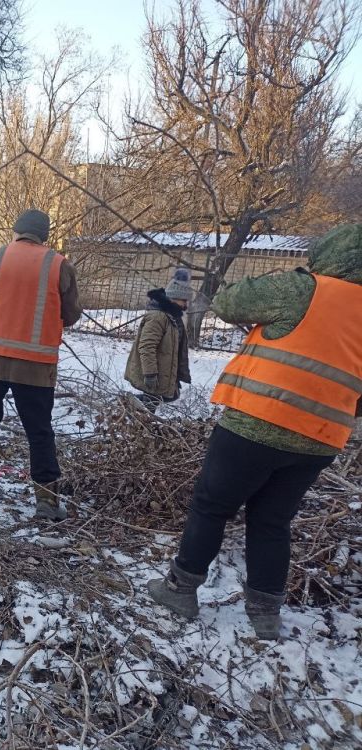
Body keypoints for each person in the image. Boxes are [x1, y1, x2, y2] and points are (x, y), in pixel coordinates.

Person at [148, 225, 362, 639]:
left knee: (212, 506)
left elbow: (229, 303)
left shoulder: (304, 289)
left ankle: (180, 590)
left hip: (256, 424)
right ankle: (265, 613)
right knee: (272, 522)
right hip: (320, 439)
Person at [0, 209, 83, 520]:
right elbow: (71, 315)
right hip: (34, 363)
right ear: (43, 235)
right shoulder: (58, 264)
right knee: (39, 430)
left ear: (16, 231)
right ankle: (46, 498)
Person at [124, 268, 193, 412]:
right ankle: (132, 412)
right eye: (184, 300)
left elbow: (176, 348)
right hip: (153, 372)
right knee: (150, 404)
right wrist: (149, 374)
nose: (186, 305)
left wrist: (176, 374)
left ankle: (135, 410)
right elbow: (147, 346)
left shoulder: (174, 317)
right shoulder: (158, 317)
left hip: (164, 370)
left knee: (168, 396)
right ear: (173, 298)